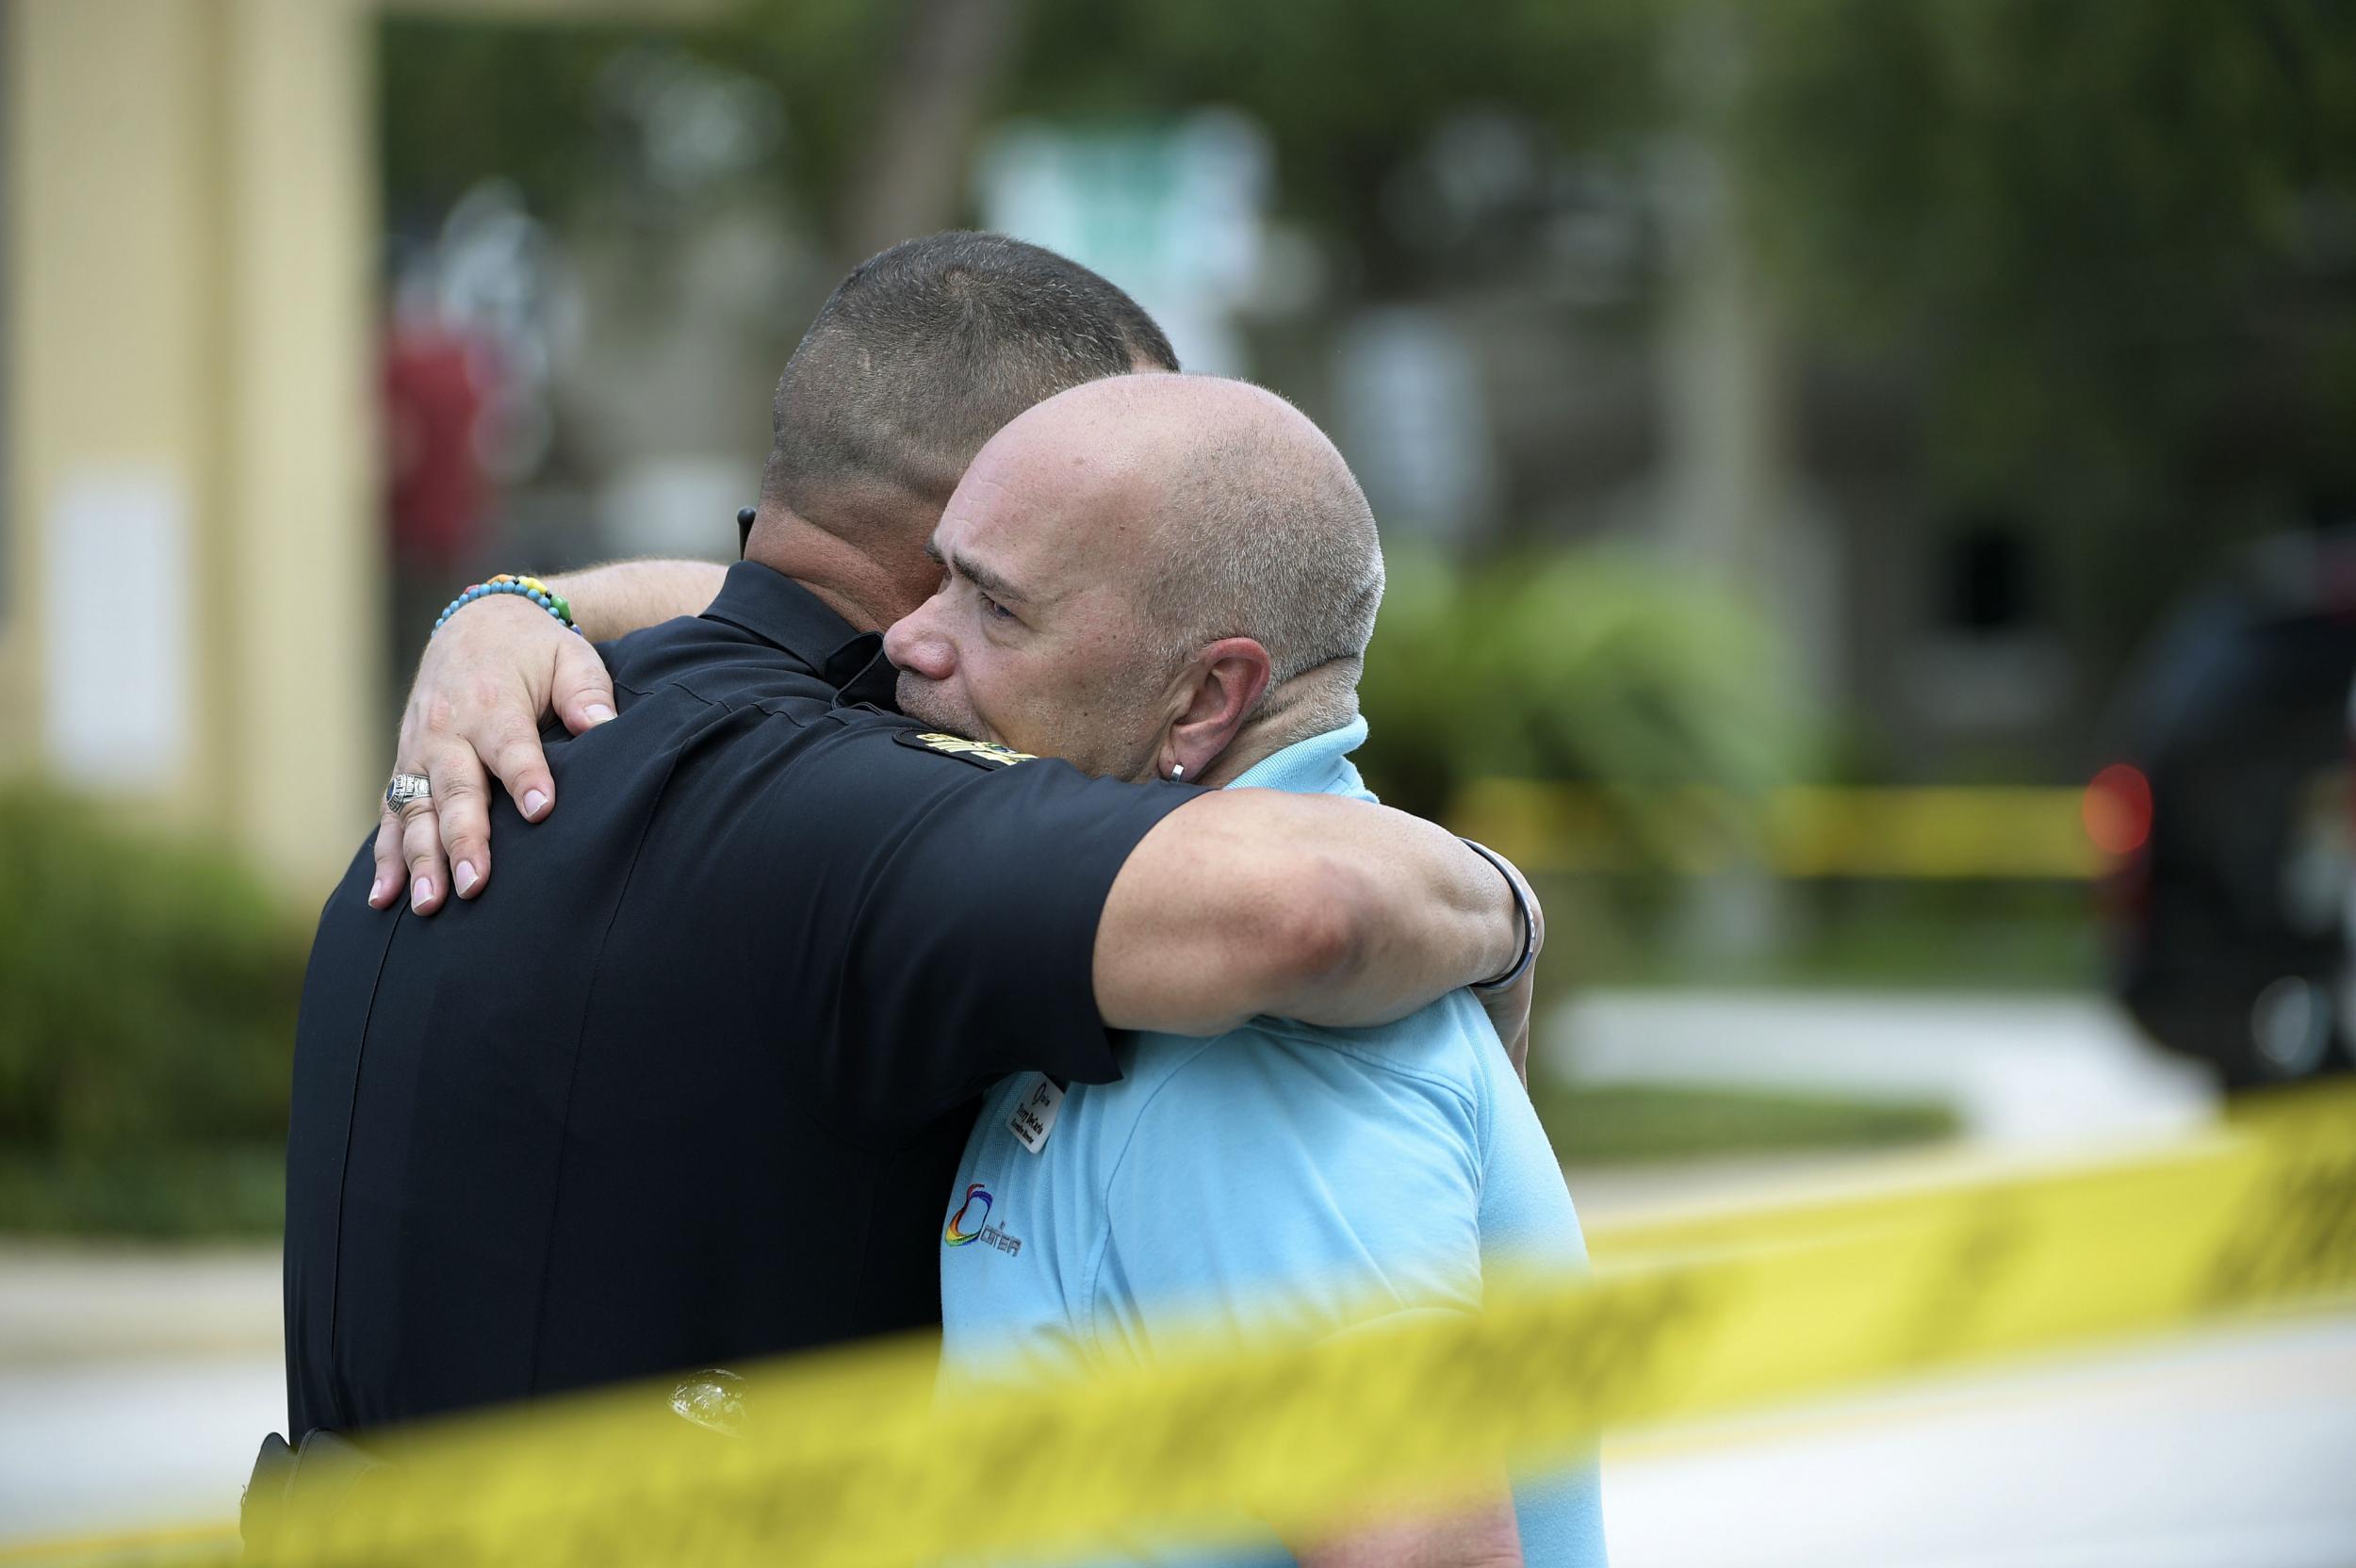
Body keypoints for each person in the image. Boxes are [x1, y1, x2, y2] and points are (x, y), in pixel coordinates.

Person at [283, 233, 1539, 1448]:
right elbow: (1305, 909)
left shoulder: (512, 750)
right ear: (989, 505)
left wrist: (514, 600)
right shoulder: (861, 820)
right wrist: (1509, 913)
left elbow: (765, 618)